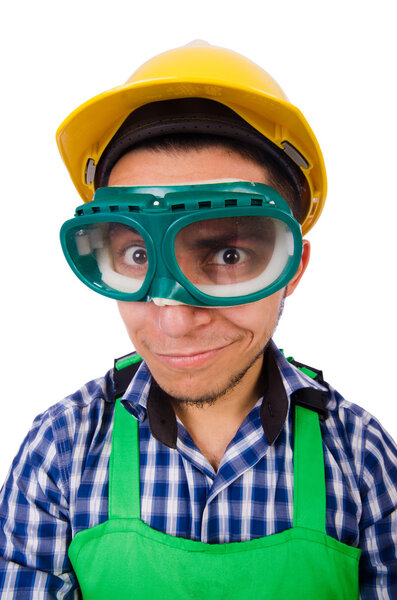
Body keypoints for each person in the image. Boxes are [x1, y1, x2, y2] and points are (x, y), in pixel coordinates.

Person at [0, 41, 396, 599]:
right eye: (138, 255)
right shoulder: (58, 453)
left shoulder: (362, 460)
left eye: (228, 255)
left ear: (292, 268)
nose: (176, 320)